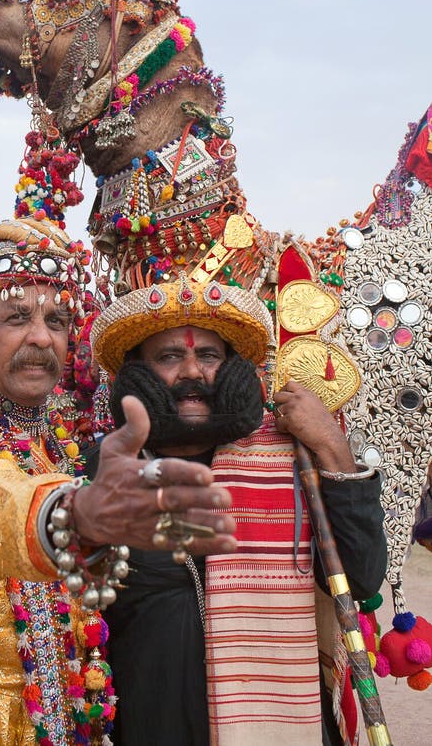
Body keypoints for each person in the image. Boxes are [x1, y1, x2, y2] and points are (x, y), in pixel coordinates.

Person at [0, 218, 235, 746]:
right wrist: (77, 515)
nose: (42, 338)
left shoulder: (57, 449)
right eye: (18, 317)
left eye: (59, 320)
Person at [91, 277, 387, 746]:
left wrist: (331, 445)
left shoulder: (293, 461)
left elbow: (362, 581)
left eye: (209, 356)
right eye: (169, 357)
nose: (192, 372)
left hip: (286, 725)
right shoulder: (103, 473)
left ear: (232, 369)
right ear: (135, 374)